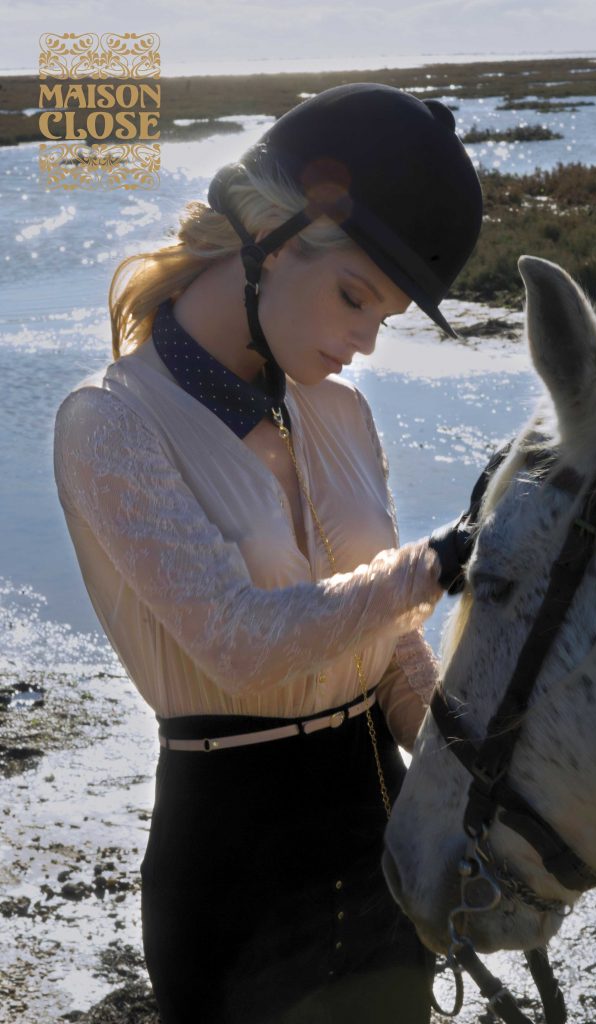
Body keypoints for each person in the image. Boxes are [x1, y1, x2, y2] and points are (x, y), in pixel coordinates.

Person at [53, 83, 483, 1024]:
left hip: (381, 849)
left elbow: (386, 647)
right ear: (272, 240)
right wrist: (437, 563)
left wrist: (463, 778)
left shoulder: (342, 410)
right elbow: (241, 642)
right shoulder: (109, 423)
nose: (365, 342)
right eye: (354, 298)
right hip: (233, 878)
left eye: (384, 318)